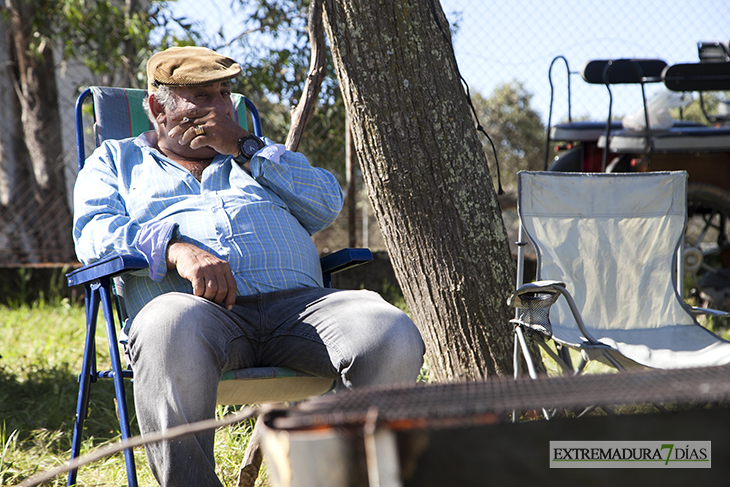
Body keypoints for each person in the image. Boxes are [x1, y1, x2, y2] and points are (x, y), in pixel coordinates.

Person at [73, 46, 425, 487]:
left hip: (303, 309)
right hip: (197, 313)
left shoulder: (255, 155)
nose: (220, 107)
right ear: (158, 108)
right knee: (164, 325)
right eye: (202, 97)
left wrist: (245, 147)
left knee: (391, 332)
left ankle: (331, 477)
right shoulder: (114, 161)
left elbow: (325, 203)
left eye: (224, 93)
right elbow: (93, 234)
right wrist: (175, 249)